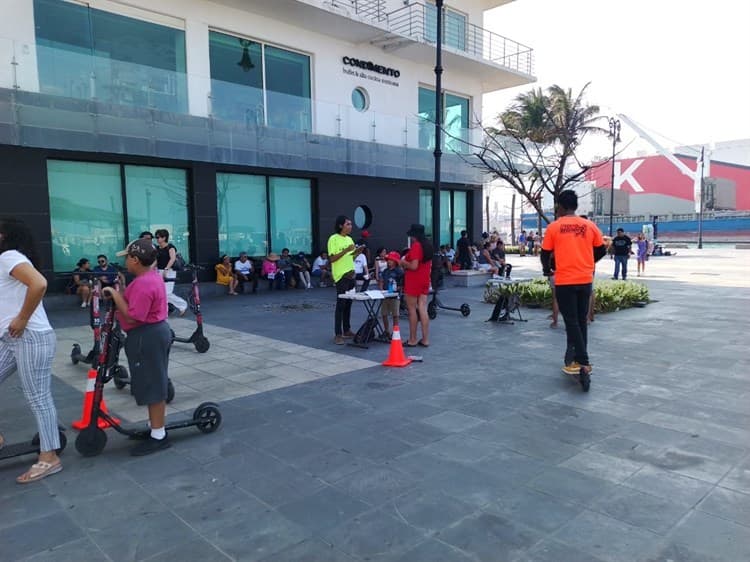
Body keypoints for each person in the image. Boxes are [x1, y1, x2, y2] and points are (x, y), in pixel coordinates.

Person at [0, 218, 63, 483]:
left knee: (38, 398)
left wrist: (23, 318)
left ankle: (50, 458)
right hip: (10, 339)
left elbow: (39, 283)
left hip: (30, 338)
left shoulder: (8, 256)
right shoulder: (8, 260)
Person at [107, 239, 171, 456]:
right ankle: (156, 430)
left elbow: (135, 316)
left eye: (127, 257)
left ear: (135, 259)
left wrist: (115, 295)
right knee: (152, 380)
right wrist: (123, 289)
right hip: (153, 333)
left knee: (153, 383)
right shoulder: (149, 278)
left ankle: (159, 435)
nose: (125, 260)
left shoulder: (144, 283)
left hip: (147, 335)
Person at [540, 190, 606, 379]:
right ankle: (577, 357)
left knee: (571, 321)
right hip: (585, 280)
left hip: (565, 281)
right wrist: (588, 261)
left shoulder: (554, 227)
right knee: (581, 320)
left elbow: (545, 254)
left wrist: (547, 269)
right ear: (575, 206)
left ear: (560, 206)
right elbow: (601, 249)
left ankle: (583, 361)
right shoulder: (589, 225)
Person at [328, 215, 365, 345]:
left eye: (350, 224)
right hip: (341, 276)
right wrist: (346, 250)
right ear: (340, 226)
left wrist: (357, 252)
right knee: (341, 304)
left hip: (351, 274)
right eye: (348, 224)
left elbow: (351, 258)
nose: (350, 226)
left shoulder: (349, 239)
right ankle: (338, 334)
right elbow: (332, 259)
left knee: (349, 303)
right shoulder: (334, 239)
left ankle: (347, 329)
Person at [400, 223, 433, 347]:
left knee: (412, 310)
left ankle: (412, 339)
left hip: (414, 280)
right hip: (424, 280)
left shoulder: (416, 246)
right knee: (423, 309)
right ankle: (425, 339)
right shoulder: (428, 246)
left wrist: (403, 262)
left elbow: (414, 266)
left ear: (414, 235)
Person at [154, 229, 188, 315]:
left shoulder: (170, 247)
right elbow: (155, 261)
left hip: (169, 271)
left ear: (164, 237)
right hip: (159, 271)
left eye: (159, 237)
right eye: (156, 237)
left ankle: (182, 305)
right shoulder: (157, 248)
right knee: (161, 293)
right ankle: (164, 311)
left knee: (166, 292)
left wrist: (166, 269)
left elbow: (172, 259)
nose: (157, 239)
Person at [380, 251, 404, 340]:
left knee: (395, 314)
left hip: (395, 295)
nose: (389, 262)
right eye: (388, 260)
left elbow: (402, 283)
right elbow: (382, 281)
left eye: (391, 260)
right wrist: (381, 289)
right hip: (386, 295)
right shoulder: (385, 271)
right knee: (384, 313)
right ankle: (386, 331)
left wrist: (398, 288)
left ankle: (395, 331)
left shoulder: (399, 271)